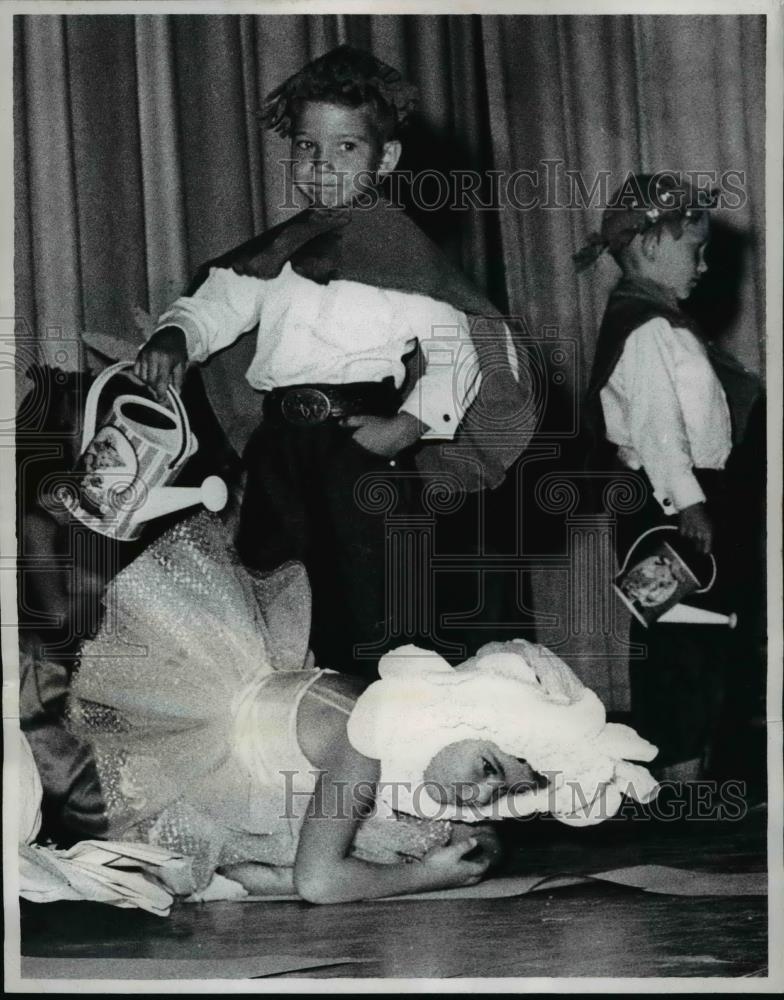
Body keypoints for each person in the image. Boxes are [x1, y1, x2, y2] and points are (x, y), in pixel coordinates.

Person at [132, 46, 534, 675]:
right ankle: (292, 719)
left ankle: (389, 718)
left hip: (361, 441)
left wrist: (408, 425)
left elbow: (457, 345)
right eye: (305, 146)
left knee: (376, 598)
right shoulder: (282, 250)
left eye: (346, 148)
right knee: (270, 580)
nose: (321, 165)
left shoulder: (403, 255)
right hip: (280, 443)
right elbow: (218, 301)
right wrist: (177, 335)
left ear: (387, 158)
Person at [61, 512, 658, 904]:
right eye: (488, 772)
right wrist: (432, 875)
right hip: (196, 749)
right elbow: (318, 885)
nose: (483, 798)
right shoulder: (365, 739)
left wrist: (482, 842)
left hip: (286, 758)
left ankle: (271, 867)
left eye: (504, 791)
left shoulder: (423, 733)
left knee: (423, 830)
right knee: (335, 862)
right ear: (460, 716)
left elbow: (475, 822)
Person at [577, 172, 760, 781]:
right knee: (679, 641)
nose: (704, 265)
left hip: (684, 498)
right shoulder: (647, 330)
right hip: (665, 507)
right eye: (695, 249)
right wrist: (690, 504)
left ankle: (694, 772)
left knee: (702, 637)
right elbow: (658, 430)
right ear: (651, 244)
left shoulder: (662, 324)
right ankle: (680, 778)